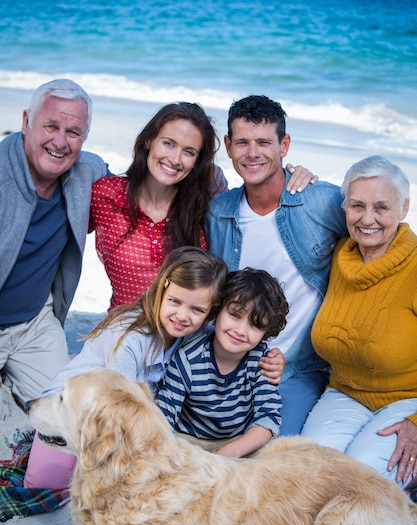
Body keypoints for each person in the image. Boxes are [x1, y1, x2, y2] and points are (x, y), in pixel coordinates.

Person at [23, 246, 229, 489]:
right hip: (70, 410)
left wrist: (270, 360)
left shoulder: (196, 334)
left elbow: (231, 342)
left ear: (209, 313)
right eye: (175, 301)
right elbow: (117, 411)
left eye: (197, 310)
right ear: (161, 291)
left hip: (108, 425)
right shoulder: (131, 336)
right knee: (46, 486)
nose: (183, 315)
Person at [206, 95, 348, 435]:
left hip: (299, 367)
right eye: (242, 142)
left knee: (273, 453)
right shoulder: (218, 212)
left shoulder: (321, 201)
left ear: (284, 145)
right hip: (232, 358)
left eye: (263, 142)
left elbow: (377, 230)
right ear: (227, 146)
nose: (252, 153)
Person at [89, 101, 317, 309]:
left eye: (189, 151)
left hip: (185, 342)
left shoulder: (208, 201)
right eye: (168, 143)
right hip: (123, 330)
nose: (175, 159)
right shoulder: (105, 194)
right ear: (149, 140)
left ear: (198, 161)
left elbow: (256, 210)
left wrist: (296, 177)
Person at [301, 155, 417, 489]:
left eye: (382, 207)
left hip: (408, 401)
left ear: (404, 208)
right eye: (357, 206)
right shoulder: (338, 255)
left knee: (359, 485)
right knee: (308, 475)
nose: (368, 219)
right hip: (345, 393)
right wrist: (297, 173)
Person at [0, 79, 108, 418]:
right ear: (25, 122)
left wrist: (209, 180)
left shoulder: (87, 171)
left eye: (74, 131)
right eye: (51, 126)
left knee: (64, 420)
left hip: (35, 322)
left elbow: (142, 191)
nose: (60, 142)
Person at [156, 268, 289, 458]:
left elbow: (268, 419)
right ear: (218, 310)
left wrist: (231, 452)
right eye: (234, 315)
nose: (241, 330)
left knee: (276, 458)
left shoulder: (262, 361)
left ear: (266, 332)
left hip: (238, 442)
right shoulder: (187, 358)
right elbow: (165, 416)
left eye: (255, 325)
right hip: (188, 441)